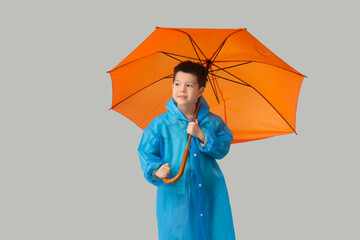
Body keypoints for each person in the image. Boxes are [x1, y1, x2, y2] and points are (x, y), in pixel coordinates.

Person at [138, 61, 236, 240]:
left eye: (189, 85)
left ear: (200, 91)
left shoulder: (212, 122)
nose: (182, 90)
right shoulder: (160, 124)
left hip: (209, 189)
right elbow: (146, 152)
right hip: (176, 195)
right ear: (172, 86)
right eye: (177, 84)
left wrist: (202, 135)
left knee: (212, 231)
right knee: (179, 233)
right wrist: (157, 169)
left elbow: (224, 146)